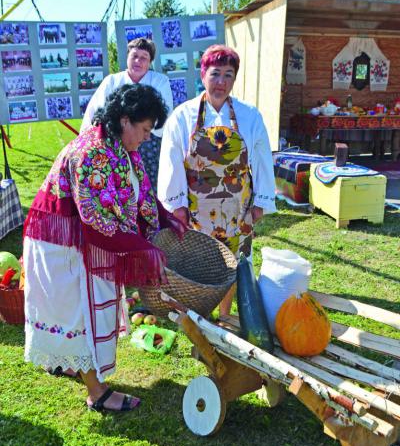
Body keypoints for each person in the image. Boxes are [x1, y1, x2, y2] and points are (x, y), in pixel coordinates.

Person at [23, 84, 184, 412]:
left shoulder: (122, 148)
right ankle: (97, 393)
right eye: (144, 129)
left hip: (76, 237)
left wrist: (167, 219)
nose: (146, 137)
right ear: (125, 120)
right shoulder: (93, 152)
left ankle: (76, 365)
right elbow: (97, 223)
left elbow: (138, 194)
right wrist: (143, 248)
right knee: (79, 312)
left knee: (83, 310)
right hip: (59, 240)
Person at [157, 44, 276, 316]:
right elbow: (171, 161)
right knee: (201, 262)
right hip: (197, 211)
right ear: (202, 76)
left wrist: (261, 202)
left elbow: (261, 159)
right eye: (215, 74)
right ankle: (201, 314)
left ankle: (224, 314)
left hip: (238, 209)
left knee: (233, 262)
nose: (221, 82)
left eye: (228, 75)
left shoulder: (249, 116)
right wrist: (176, 205)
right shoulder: (183, 116)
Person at [81, 38, 173, 193]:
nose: (138, 61)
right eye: (134, 56)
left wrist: (138, 127)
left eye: (143, 58)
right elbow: (96, 113)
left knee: (148, 189)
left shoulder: (160, 81)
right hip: (114, 142)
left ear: (150, 62)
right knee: (116, 188)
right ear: (127, 58)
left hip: (148, 144)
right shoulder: (111, 81)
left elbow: (162, 117)